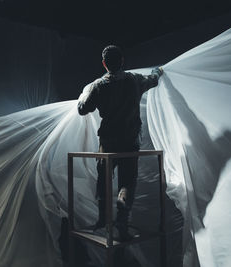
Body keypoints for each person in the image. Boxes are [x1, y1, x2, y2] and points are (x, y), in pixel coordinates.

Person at [77, 45, 163, 241]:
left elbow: (82, 109)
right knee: (127, 181)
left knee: (104, 179)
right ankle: (122, 217)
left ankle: (102, 219)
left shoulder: (98, 86)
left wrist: (84, 94)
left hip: (108, 142)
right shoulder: (134, 80)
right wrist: (158, 71)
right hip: (130, 140)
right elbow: (154, 79)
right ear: (122, 60)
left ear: (104, 63)